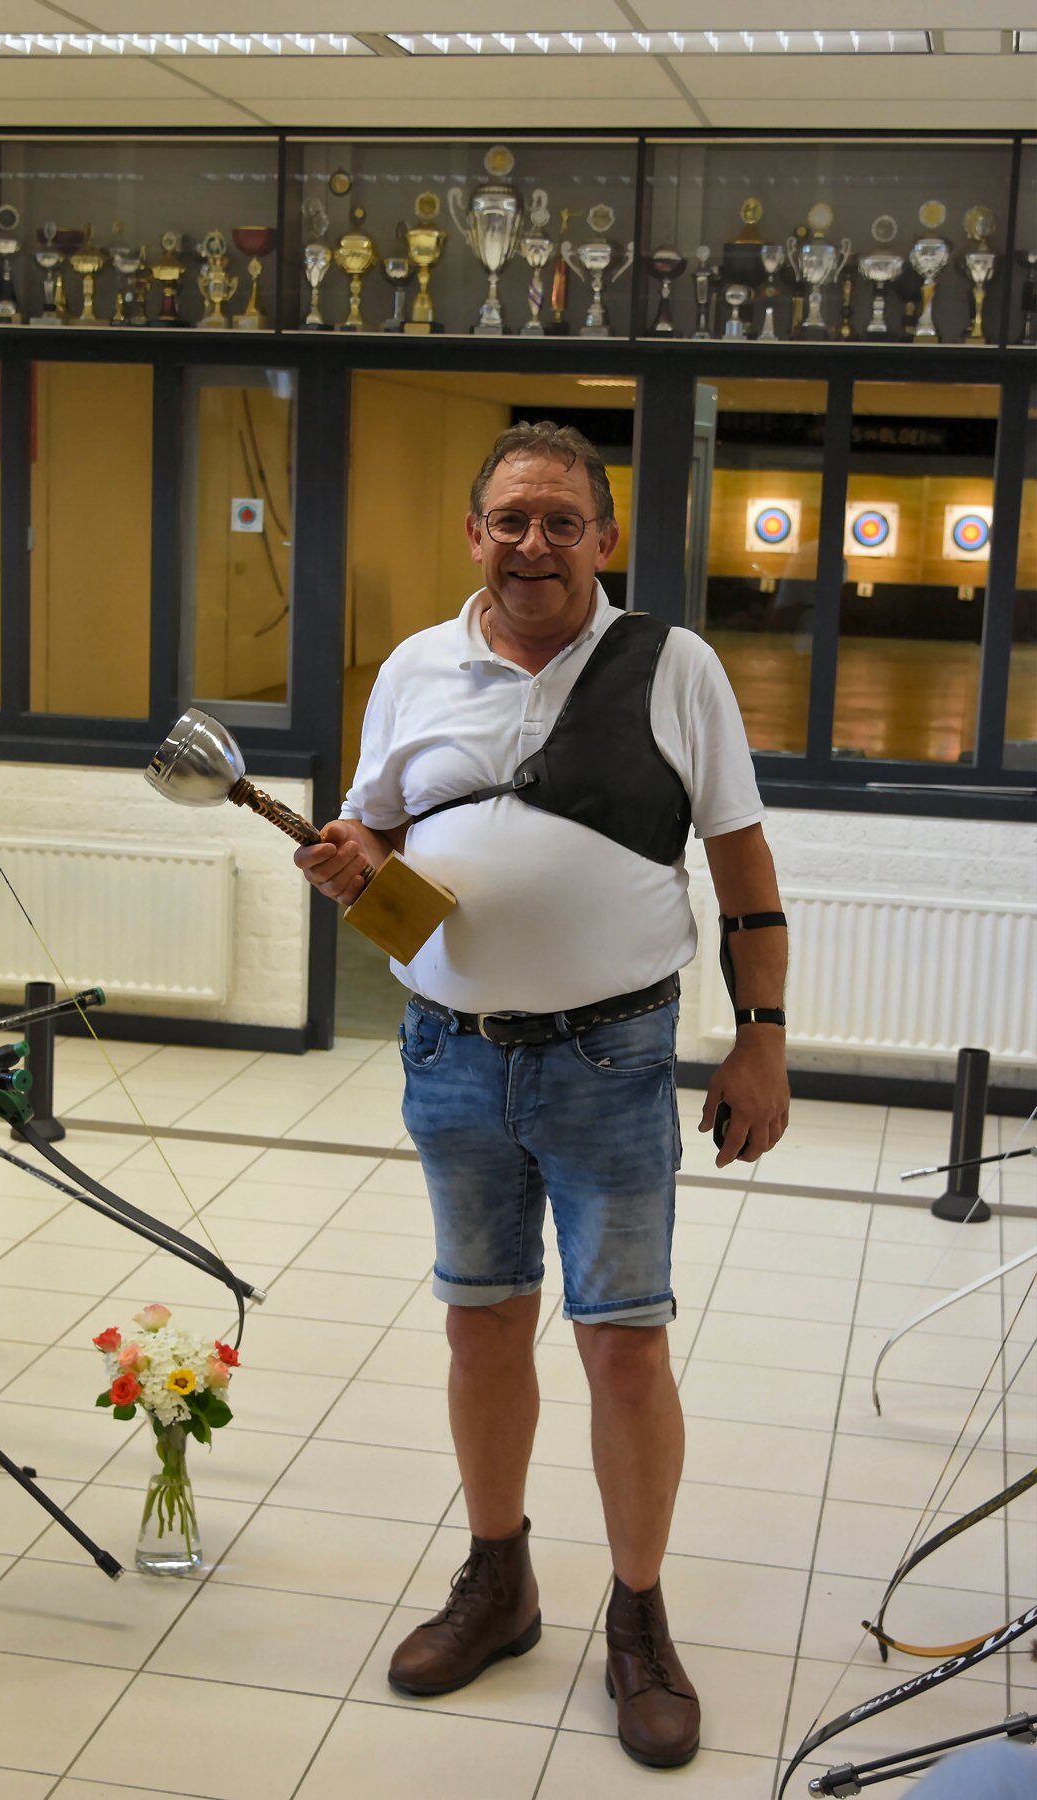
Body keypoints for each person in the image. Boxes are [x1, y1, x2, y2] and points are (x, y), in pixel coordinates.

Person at [295, 420, 790, 1771]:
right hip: (450, 1056)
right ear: (475, 536)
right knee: (481, 1326)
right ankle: (499, 1581)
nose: (534, 543)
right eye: (510, 519)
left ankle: (639, 1620)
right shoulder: (415, 668)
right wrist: (354, 865)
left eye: (562, 521)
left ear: (603, 540)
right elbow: (376, 831)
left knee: (623, 1345)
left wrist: (761, 1040)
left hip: (610, 1062)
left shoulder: (674, 667)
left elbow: (743, 868)